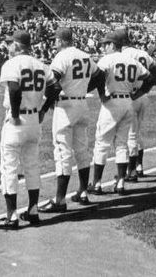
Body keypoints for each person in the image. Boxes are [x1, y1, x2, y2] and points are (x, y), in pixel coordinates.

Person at [0, 30, 52, 230]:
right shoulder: (41, 64)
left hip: (18, 120)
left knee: (9, 167)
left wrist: (15, 115)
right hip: (34, 119)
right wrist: (43, 109)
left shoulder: (11, 63)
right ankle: (33, 211)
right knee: (32, 166)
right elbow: (56, 87)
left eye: (10, 44)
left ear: (17, 45)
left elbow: (15, 89)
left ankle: (11, 216)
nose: (8, 47)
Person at [39, 27, 103, 213]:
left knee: (63, 152)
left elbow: (53, 83)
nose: (54, 43)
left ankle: (60, 200)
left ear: (62, 41)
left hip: (66, 106)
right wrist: (83, 90)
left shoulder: (62, 56)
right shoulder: (84, 55)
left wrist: (45, 106)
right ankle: (83, 192)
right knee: (82, 150)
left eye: (56, 40)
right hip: (81, 104)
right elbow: (100, 77)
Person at [88, 31, 152, 196]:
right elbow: (149, 77)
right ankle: (121, 182)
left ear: (111, 45)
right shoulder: (131, 60)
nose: (103, 47)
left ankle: (96, 183)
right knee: (122, 143)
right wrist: (139, 93)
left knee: (102, 143)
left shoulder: (107, 59)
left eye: (105, 44)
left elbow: (98, 78)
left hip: (112, 102)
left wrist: (102, 95)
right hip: (128, 101)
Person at [120, 29, 156, 181]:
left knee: (130, 134)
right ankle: (139, 166)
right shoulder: (143, 53)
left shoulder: (123, 55)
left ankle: (131, 171)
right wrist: (145, 89)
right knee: (137, 132)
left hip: (130, 95)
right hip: (143, 96)